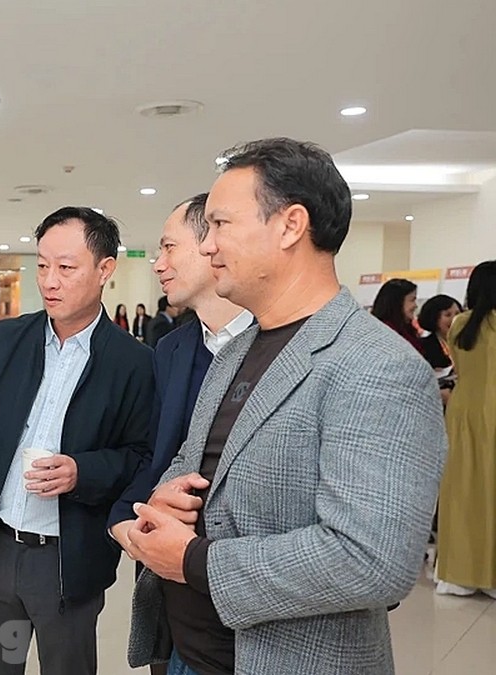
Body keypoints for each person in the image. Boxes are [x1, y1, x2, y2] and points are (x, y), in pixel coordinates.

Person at [126, 138, 445, 674]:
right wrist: (164, 497)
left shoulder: (376, 365)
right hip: (189, 652)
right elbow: (197, 460)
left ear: (291, 225)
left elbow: (370, 560)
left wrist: (192, 560)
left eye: (222, 225)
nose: (207, 247)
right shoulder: (239, 349)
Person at [0, 207, 154, 675]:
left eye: (66, 268)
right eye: (43, 265)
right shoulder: (3, 339)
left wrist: (81, 472)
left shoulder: (134, 362)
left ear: (105, 270)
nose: (50, 280)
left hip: (68, 557)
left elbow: (141, 457)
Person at [109, 194, 251, 674]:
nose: (158, 263)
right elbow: (156, 455)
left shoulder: (279, 345)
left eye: (169, 247)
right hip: (175, 601)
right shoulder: (172, 350)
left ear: (212, 246)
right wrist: (124, 522)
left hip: (247, 601)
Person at [436, 260, 496, 598]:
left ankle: (458, 572)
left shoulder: (460, 325)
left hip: (462, 414)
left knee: (461, 493)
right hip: (492, 413)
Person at [372, 278, 424, 356]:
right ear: (397, 302)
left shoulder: (407, 329)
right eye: (412, 300)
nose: (415, 305)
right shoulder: (384, 333)